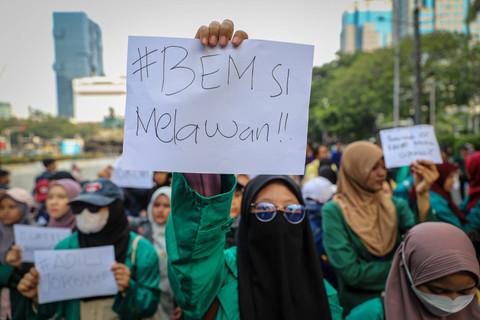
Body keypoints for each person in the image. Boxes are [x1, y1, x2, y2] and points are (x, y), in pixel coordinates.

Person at [165, 20, 343, 320]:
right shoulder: (217, 279)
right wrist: (207, 90)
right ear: (245, 218)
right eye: (264, 211)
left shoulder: (327, 295)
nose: (279, 219)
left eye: (293, 212)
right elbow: (193, 248)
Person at [322, 141, 438, 315]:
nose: (382, 173)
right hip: (359, 310)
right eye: (373, 168)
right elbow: (351, 272)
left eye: (384, 167)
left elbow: (424, 248)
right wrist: (404, 267)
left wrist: (422, 194)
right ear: (355, 169)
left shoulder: (394, 205)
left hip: (401, 303)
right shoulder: (334, 211)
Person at [17, 178, 160, 319]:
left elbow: (150, 306)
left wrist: (129, 288)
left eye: (94, 208)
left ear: (115, 208)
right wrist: (38, 296)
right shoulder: (65, 248)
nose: (85, 214)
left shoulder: (141, 250)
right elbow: (52, 309)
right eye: (79, 208)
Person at [347, 222, 480, 319]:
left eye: (465, 291)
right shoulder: (369, 315)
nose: (452, 300)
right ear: (408, 274)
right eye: (437, 290)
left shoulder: (475, 312)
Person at [145, 187, 182, 320]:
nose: (160, 210)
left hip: (174, 303)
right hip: (149, 303)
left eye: (166, 206)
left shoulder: (181, 237)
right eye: (156, 205)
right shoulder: (142, 234)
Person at [0, 188, 35, 320]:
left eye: (12, 207)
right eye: (1, 207)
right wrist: (11, 272)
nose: (5, 212)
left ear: (24, 208)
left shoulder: (36, 234)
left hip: (25, 302)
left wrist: (18, 268)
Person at [429, 159, 480, 232]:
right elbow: (460, 231)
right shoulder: (436, 202)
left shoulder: (441, 196)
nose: (454, 181)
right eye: (450, 177)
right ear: (439, 177)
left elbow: (458, 212)